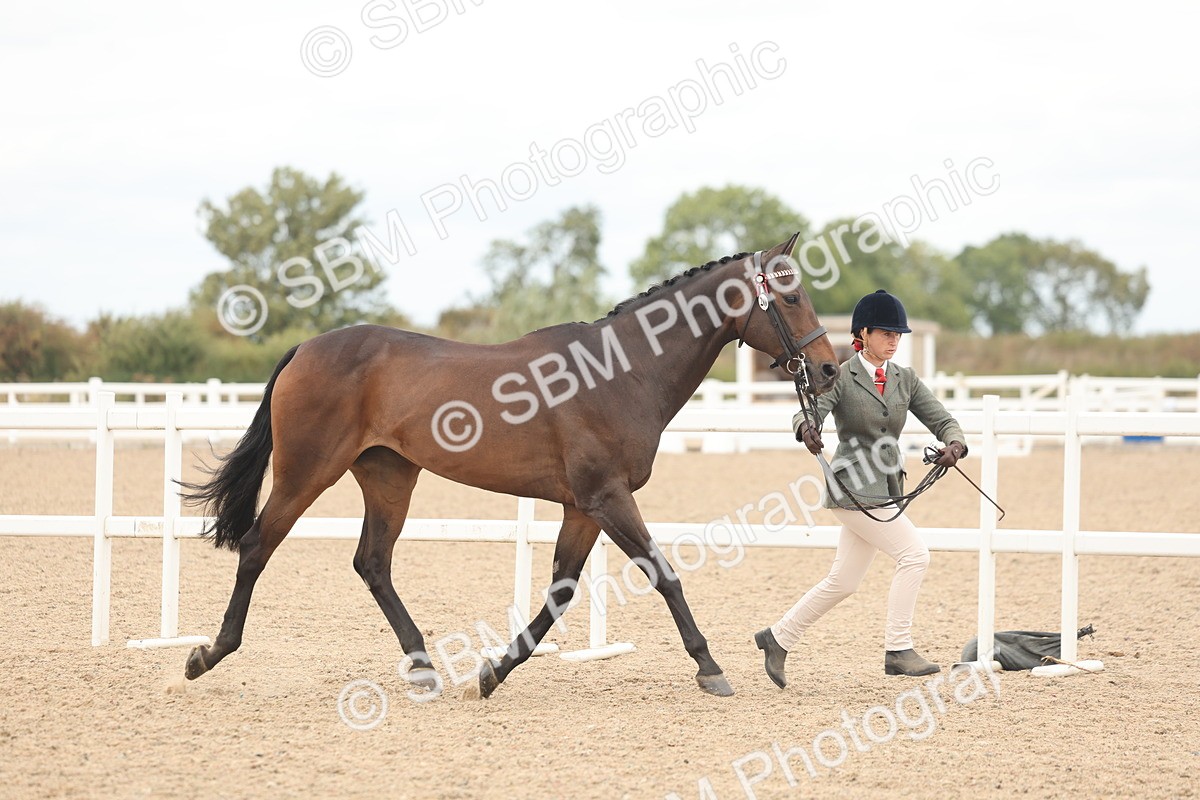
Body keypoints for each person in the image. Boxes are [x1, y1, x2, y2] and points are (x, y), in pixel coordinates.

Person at [754, 289, 968, 686]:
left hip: (885, 488)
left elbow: (943, 419)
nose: (894, 340)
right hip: (852, 488)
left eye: (898, 335)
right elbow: (808, 410)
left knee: (844, 582)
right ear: (863, 333)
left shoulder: (906, 380)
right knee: (915, 555)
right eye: (886, 333)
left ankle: (777, 637)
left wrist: (954, 444)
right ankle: (898, 649)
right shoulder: (841, 374)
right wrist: (807, 427)